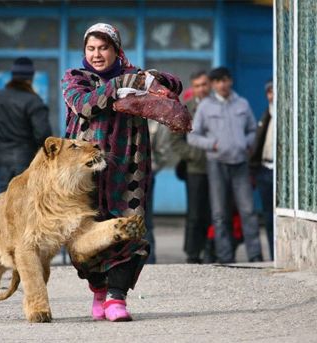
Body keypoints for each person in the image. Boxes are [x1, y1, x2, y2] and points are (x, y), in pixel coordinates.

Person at [61, 22, 182, 321]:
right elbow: (85, 105)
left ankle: (117, 297)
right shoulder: (75, 78)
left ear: (116, 50)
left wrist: (155, 78)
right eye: (91, 48)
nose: (97, 54)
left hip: (129, 168)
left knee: (129, 228)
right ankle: (99, 289)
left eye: (103, 48)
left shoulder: (134, 76)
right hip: (85, 173)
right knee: (83, 233)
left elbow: (174, 87)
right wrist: (118, 86)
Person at [188, 67, 263, 263]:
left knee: (248, 211)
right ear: (213, 85)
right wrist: (212, 144)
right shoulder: (205, 106)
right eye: (218, 81)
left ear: (230, 81)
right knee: (220, 213)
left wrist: (245, 143)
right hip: (216, 164)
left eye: (225, 80)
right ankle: (225, 256)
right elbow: (193, 136)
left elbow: (252, 130)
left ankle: (255, 255)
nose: (222, 84)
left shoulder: (242, 104)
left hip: (240, 164)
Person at [0, 57, 52, 194]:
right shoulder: (33, 100)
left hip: (2, 154)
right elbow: (43, 133)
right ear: (30, 77)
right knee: (24, 196)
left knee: (2, 196)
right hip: (25, 156)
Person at [170, 70, 212, 264]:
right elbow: (176, 142)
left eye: (204, 84)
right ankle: (193, 253)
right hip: (196, 170)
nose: (201, 89)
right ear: (192, 88)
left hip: (220, 167)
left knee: (217, 212)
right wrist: (196, 155)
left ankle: (214, 251)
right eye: (197, 86)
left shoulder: (219, 107)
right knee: (195, 213)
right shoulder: (186, 110)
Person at [250, 79, 274, 260]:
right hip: (264, 169)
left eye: (275, 91)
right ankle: (274, 254)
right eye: (269, 92)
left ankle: (278, 254)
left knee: (278, 214)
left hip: (279, 171)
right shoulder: (266, 115)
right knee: (268, 216)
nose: (272, 95)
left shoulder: (290, 115)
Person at [144, 120, 172, 264]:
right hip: (120, 176)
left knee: (145, 222)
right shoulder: (122, 113)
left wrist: (150, 169)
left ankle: (149, 262)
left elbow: (163, 153)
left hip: (145, 176)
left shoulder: (156, 122)